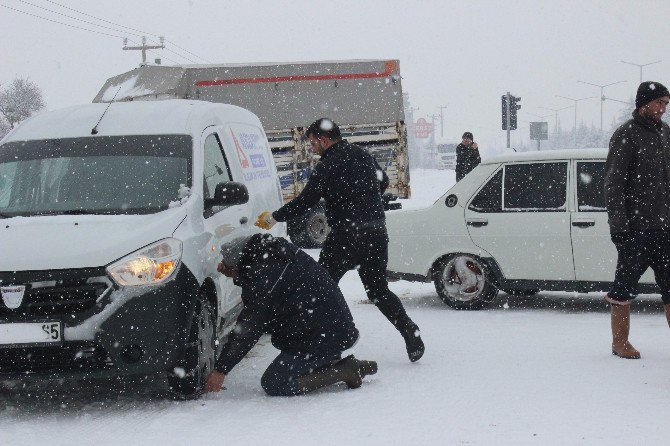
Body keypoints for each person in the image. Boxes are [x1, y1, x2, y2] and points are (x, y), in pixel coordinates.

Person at [255, 118, 425, 362]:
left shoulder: (328, 165)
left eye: (313, 142)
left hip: (346, 238)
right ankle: (410, 331)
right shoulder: (362, 154)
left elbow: (306, 201)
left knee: (320, 288)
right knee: (378, 290)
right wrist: (362, 199)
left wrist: (275, 217)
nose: (312, 148)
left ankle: (326, 342)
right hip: (375, 233)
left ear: (324, 140)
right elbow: (383, 182)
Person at [204, 234, 377, 396]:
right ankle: (327, 359)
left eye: (228, 267)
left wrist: (221, 370)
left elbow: (249, 327)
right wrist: (236, 272)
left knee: (273, 382)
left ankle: (345, 370)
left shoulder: (264, 280)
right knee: (287, 342)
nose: (223, 269)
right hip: (330, 327)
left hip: (324, 336)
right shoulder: (273, 254)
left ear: (239, 264)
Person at [604, 81, 670, 359]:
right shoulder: (626, 135)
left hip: (665, 227)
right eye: (660, 103)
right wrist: (620, 228)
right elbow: (613, 185)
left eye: (666, 104)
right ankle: (620, 343)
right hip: (636, 229)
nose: (664, 108)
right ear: (644, 104)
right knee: (623, 288)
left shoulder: (666, 133)